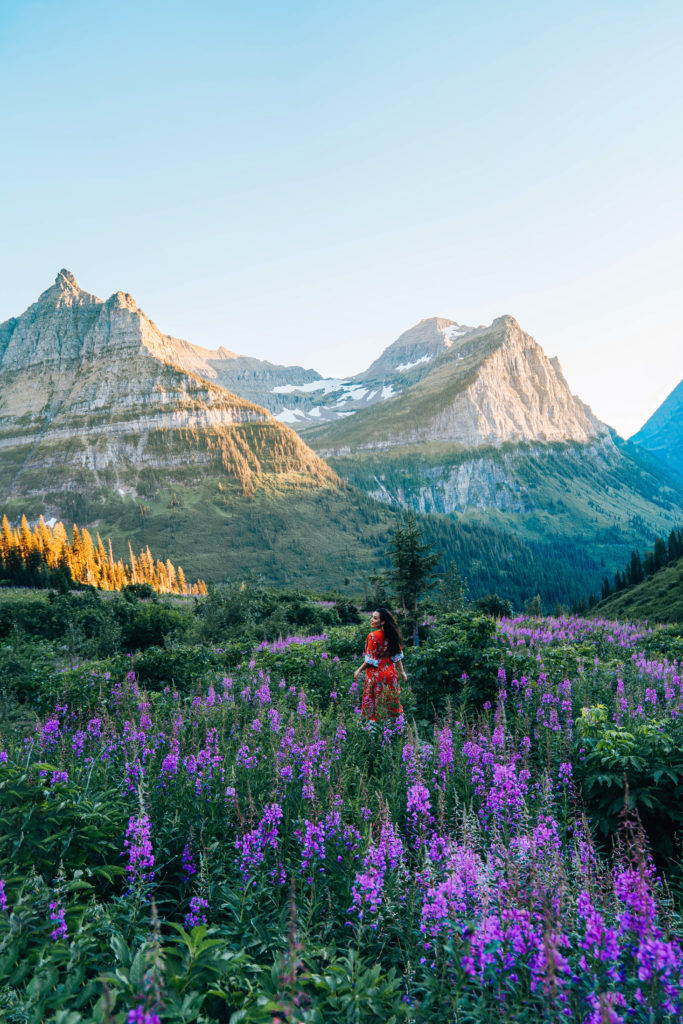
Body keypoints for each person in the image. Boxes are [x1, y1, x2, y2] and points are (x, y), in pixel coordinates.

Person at [353, 607, 406, 721]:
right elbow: (397, 657)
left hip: (377, 677)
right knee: (391, 704)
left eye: (375, 618)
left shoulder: (373, 636)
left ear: (382, 622)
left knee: (374, 707)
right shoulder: (393, 635)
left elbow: (370, 660)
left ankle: (375, 734)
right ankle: (395, 729)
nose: (372, 620)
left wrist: (359, 670)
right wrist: (402, 672)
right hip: (391, 676)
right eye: (372, 617)